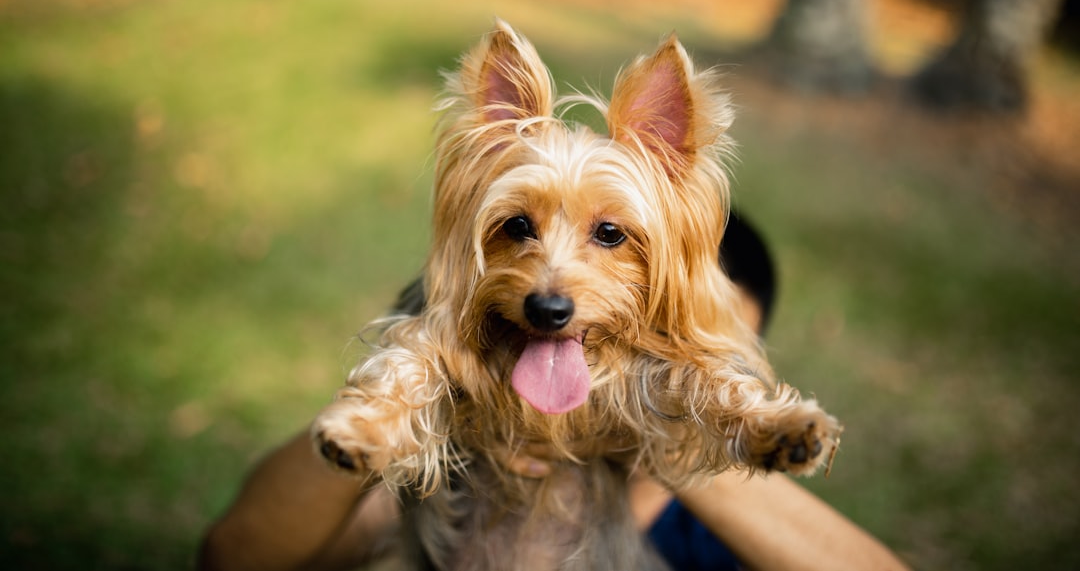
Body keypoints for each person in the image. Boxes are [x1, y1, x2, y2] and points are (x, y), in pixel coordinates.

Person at [199, 214, 909, 571]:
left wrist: (672, 434)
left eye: (691, 346)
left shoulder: (712, 533)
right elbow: (234, 557)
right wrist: (428, 392)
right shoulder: (465, 465)